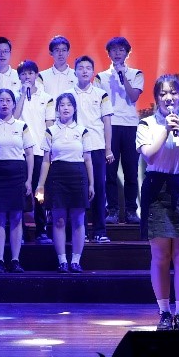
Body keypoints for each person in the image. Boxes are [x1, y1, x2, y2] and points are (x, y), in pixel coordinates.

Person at [137, 74, 179, 331]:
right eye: (163, 93)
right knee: (160, 255)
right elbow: (149, 157)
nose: (168, 97)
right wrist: (166, 129)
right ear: (157, 98)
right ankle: (164, 312)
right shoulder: (146, 124)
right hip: (157, 188)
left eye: (173, 93)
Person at [35, 93, 99, 273]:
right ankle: (62, 260)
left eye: (69, 104)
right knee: (59, 220)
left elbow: (88, 159)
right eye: (62, 105)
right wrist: (40, 184)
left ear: (74, 108)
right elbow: (46, 160)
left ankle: (76, 260)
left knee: (78, 220)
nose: (65, 108)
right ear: (57, 109)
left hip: (78, 175)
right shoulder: (51, 131)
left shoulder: (83, 131)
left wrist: (91, 184)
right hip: (57, 176)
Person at [0, 89, 35, 273]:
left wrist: (29, 180)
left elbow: (29, 154)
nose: (4, 104)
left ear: (13, 104)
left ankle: (15, 260)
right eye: (1, 100)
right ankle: (0, 260)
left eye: (8, 100)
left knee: (17, 217)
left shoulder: (22, 126)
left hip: (17, 173)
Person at [98, 37, 145, 224]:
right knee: (110, 172)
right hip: (109, 126)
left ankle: (132, 211)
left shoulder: (136, 74)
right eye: (114, 50)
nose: (117, 53)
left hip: (130, 126)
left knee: (131, 171)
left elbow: (133, 97)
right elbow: (97, 104)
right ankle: (113, 211)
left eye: (121, 50)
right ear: (108, 53)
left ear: (127, 53)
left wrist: (122, 76)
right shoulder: (101, 77)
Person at [72, 56, 115, 243]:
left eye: (88, 68)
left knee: (98, 188)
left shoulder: (101, 94)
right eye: (80, 68)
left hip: (96, 146)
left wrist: (108, 149)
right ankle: (79, 231)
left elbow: (107, 122)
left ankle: (100, 231)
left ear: (92, 72)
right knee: (78, 189)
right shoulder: (68, 95)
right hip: (75, 148)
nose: (84, 71)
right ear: (75, 71)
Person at [15, 60, 54, 243]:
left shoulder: (47, 98)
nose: (27, 77)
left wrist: (49, 150)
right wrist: (23, 95)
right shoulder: (14, 95)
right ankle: (20, 231)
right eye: (23, 74)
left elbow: (49, 126)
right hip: (19, 152)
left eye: (30, 73)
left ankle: (41, 230)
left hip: (39, 150)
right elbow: (14, 118)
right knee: (21, 191)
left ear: (37, 75)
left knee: (40, 191)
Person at [38, 35, 76, 99]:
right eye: (57, 50)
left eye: (64, 50)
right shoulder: (42, 76)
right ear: (51, 53)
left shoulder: (76, 75)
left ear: (68, 53)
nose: (61, 53)